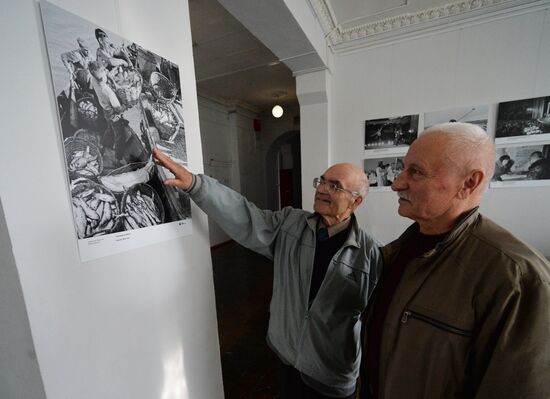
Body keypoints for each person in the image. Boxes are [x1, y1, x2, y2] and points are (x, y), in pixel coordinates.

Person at [153, 148, 382, 399]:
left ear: (356, 200)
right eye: (322, 181)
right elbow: (244, 215)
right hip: (287, 357)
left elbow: (378, 324)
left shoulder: (370, 254)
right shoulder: (290, 224)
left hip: (331, 373)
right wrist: (196, 185)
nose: (322, 189)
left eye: (335, 186)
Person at [360, 122, 550, 399]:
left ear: (468, 183)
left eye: (416, 172)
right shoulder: (397, 253)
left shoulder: (517, 277)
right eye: (403, 168)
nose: (397, 183)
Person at [88, 61, 147, 165]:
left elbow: (102, 75)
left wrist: (109, 78)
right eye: (103, 72)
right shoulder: (107, 91)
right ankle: (117, 159)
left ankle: (103, 145)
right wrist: (128, 105)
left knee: (110, 128)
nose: (106, 72)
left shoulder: (93, 79)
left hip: (105, 110)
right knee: (119, 136)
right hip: (113, 114)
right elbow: (118, 109)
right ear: (101, 77)